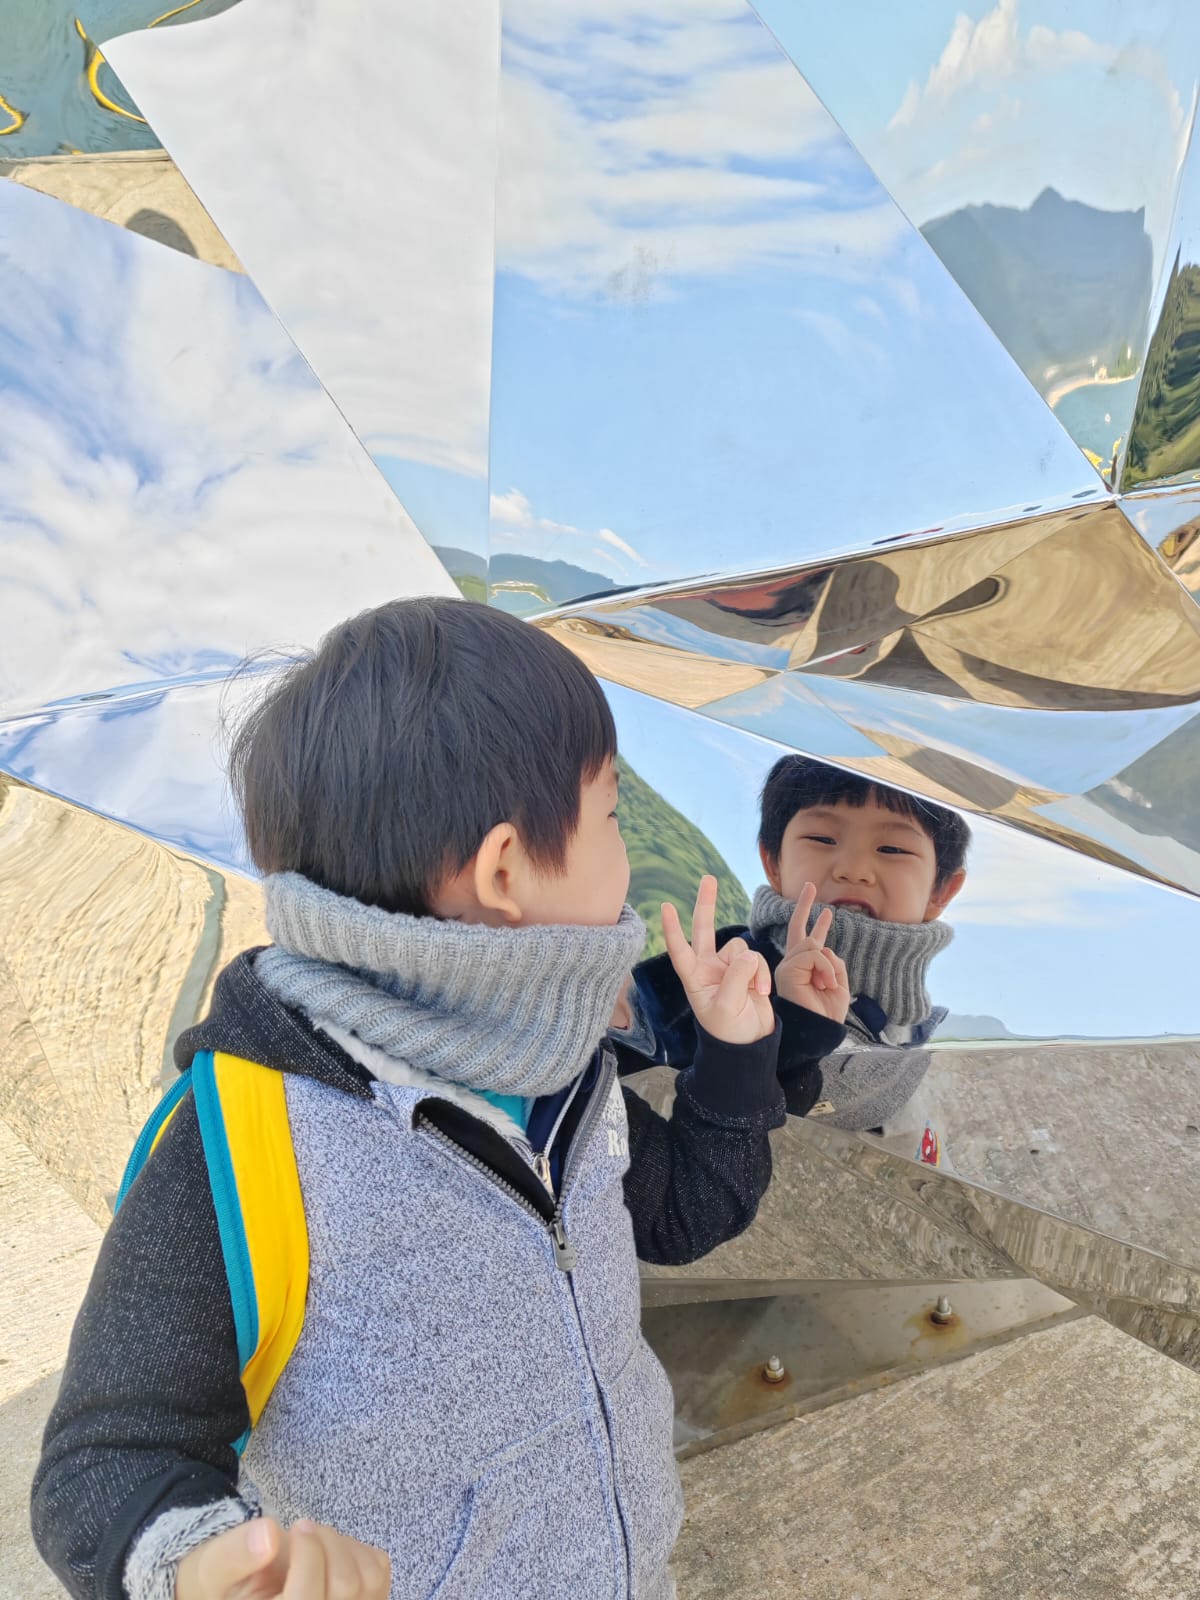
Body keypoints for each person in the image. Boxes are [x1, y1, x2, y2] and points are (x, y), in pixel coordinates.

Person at [32, 598, 787, 1600]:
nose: (625, 853)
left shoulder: (560, 1067)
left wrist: (736, 1053)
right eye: (611, 814)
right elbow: (105, 1456)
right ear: (506, 871)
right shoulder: (244, 1139)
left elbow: (683, 1213)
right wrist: (206, 1566)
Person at [624, 755, 969, 1162]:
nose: (853, 869)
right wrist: (796, 1035)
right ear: (773, 862)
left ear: (942, 891)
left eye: (892, 848)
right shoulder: (720, 975)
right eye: (823, 839)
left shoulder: (928, 1032)